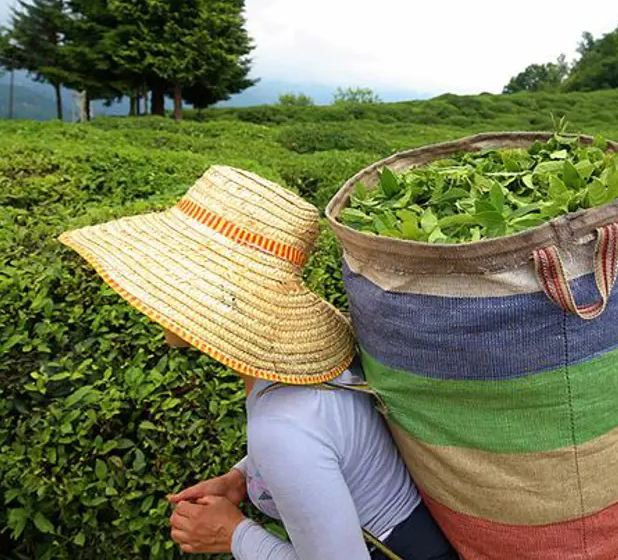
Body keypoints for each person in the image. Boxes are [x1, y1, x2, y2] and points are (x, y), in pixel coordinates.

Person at [58, 166, 459, 560]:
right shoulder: (304, 376)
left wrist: (233, 534)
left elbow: (297, 442)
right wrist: (242, 478)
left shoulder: (282, 429)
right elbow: (330, 446)